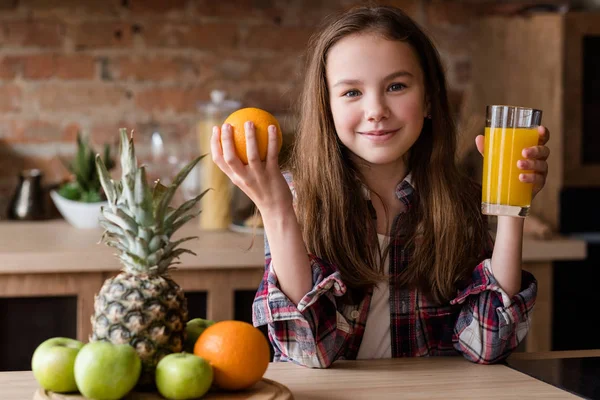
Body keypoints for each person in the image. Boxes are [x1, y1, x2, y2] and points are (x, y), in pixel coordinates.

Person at [210, 5, 550, 368]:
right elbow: (309, 351)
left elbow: (487, 345)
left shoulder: (457, 202)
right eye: (352, 92)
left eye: (396, 86)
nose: (376, 109)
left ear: (430, 99)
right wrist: (276, 211)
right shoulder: (297, 200)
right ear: (327, 107)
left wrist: (512, 208)